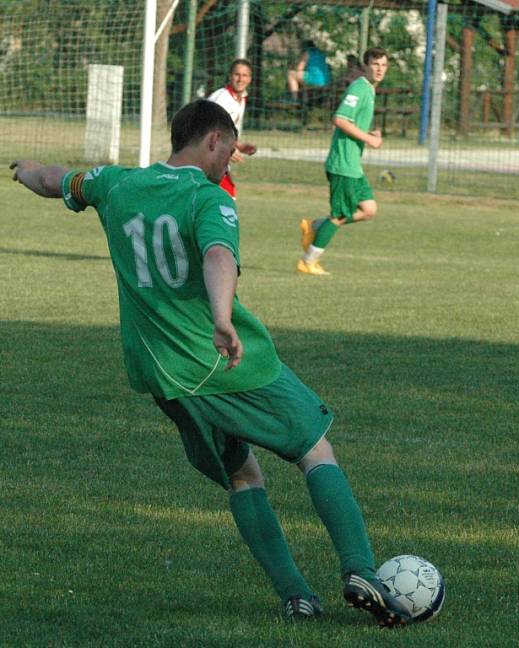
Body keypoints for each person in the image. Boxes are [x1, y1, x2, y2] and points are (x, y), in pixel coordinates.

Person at [10, 99, 410, 627]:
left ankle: (295, 594)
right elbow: (219, 254)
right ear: (213, 140)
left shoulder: (116, 183)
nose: (230, 164)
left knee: (244, 475)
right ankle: (359, 568)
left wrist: (22, 171)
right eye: (230, 151)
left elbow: (53, 178)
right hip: (220, 362)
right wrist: (222, 317)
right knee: (315, 448)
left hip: (161, 375)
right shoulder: (207, 197)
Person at [296, 47, 388, 276]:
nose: (379, 69)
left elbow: (352, 122)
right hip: (342, 164)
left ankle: (315, 226)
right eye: (375, 65)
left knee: (369, 210)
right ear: (365, 67)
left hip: (352, 165)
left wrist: (370, 135)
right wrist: (369, 139)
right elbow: (339, 119)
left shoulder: (369, 89)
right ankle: (308, 261)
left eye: (383, 65)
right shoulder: (359, 87)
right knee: (339, 215)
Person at [207, 58, 257, 199]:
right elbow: (208, 130)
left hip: (215, 160)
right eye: (237, 74)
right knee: (224, 201)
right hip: (203, 158)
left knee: (223, 199)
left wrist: (239, 145)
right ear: (230, 76)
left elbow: (224, 131)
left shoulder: (240, 99)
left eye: (244, 75)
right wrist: (229, 149)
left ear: (250, 79)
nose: (240, 79)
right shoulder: (222, 99)